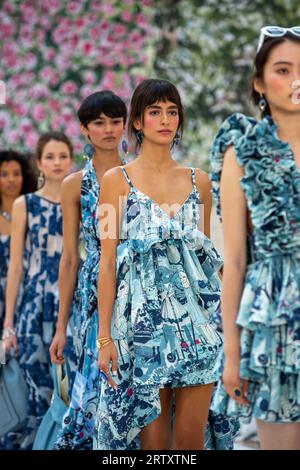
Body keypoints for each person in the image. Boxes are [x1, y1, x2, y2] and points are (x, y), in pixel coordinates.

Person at [94, 78, 226, 450]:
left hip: (198, 330)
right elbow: (107, 265)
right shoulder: (115, 181)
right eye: (155, 112)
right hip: (142, 332)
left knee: (190, 445)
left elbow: (205, 261)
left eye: (172, 112)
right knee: (153, 447)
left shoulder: (198, 181)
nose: (165, 120)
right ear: (137, 121)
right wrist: (105, 339)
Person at [210, 26, 300, 450]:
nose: (296, 79)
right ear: (260, 83)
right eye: (284, 69)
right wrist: (232, 354)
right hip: (274, 323)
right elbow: (236, 260)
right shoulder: (242, 150)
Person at [50, 91, 127, 449]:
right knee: (95, 389)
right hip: (94, 294)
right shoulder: (74, 184)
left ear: (126, 124)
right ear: (85, 129)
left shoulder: (139, 174)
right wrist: (61, 326)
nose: (109, 129)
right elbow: (70, 257)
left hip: (140, 287)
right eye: (99, 122)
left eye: (115, 120)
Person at [2, 132, 76, 450]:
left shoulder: (84, 196)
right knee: (36, 384)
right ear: (39, 162)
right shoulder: (25, 204)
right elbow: (16, 267)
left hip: (73, 301)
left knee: (71, 383)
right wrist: (8, 324)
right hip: (33, 305)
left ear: (71, 159)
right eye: (50, 157)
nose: (57, 163)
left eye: (63, 156)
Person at [0, 150, 36, 333]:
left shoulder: (36, 214)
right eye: (4, 174)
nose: (11, 180)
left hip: (29, 294)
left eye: (16, 174)